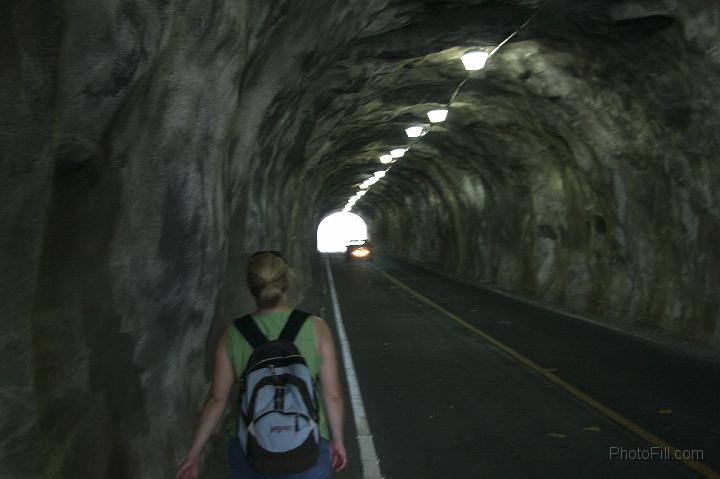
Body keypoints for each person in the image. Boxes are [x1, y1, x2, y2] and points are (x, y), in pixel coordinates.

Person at [177, 251, 348, 479]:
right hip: (309, 442)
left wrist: (193, 454)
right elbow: (332, 395)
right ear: (287, 281)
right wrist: (337, 440)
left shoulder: (233, 334)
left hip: (251, 447)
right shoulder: (316, 328)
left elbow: (217, 401)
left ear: (251, 286)